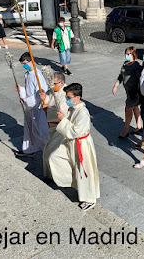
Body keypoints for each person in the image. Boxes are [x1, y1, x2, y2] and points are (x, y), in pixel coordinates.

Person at [55, 83, 100, 211]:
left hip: (82, 145)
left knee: (85, 171)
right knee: (56, 157)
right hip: (73, 142)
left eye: (69, 97)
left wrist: (63, 120)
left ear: (78, 97)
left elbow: (76, 131)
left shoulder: (83, 112)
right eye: (67, 97)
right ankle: (73, 185)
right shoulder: (74, 108)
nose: (67, 100)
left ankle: (90, 199)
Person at [16, 52, 49, 157]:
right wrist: (22, 92)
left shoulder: (37, 75)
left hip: (36, 106)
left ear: (31, 61)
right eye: (23, 64)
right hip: (29, 105)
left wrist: (26, 100)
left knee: (39, 129)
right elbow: (28, 89)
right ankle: (29, 148)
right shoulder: (27, 74)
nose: (24, 66)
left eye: (25, 63)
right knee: (29, 127)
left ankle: (46, 149)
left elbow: (40, 93)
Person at [40, 72, 70, 182]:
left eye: (54, 83)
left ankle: (57, 177)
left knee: (52, 153)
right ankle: (49, 175)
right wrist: (44, 98)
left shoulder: (66, 93)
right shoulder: (54, 90)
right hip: (51, 126)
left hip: (60, 128)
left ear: (62, 83)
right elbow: (48, 99)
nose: (51, 86)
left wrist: (48, 108)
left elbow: (62, 112)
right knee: (48, 150)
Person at [112, 46, 143, 138]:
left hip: (134, 92)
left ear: (133, 54)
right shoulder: (125, 64)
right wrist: (116, 85)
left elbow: (140, 79)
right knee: (135, 107)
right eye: (126, 54)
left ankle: (126, 130)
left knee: (128, 108)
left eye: (128, 54)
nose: (126, 56)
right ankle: (139, 126)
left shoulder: (136, 65)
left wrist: (138, 91)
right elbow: (121, 75)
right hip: (128, 91)